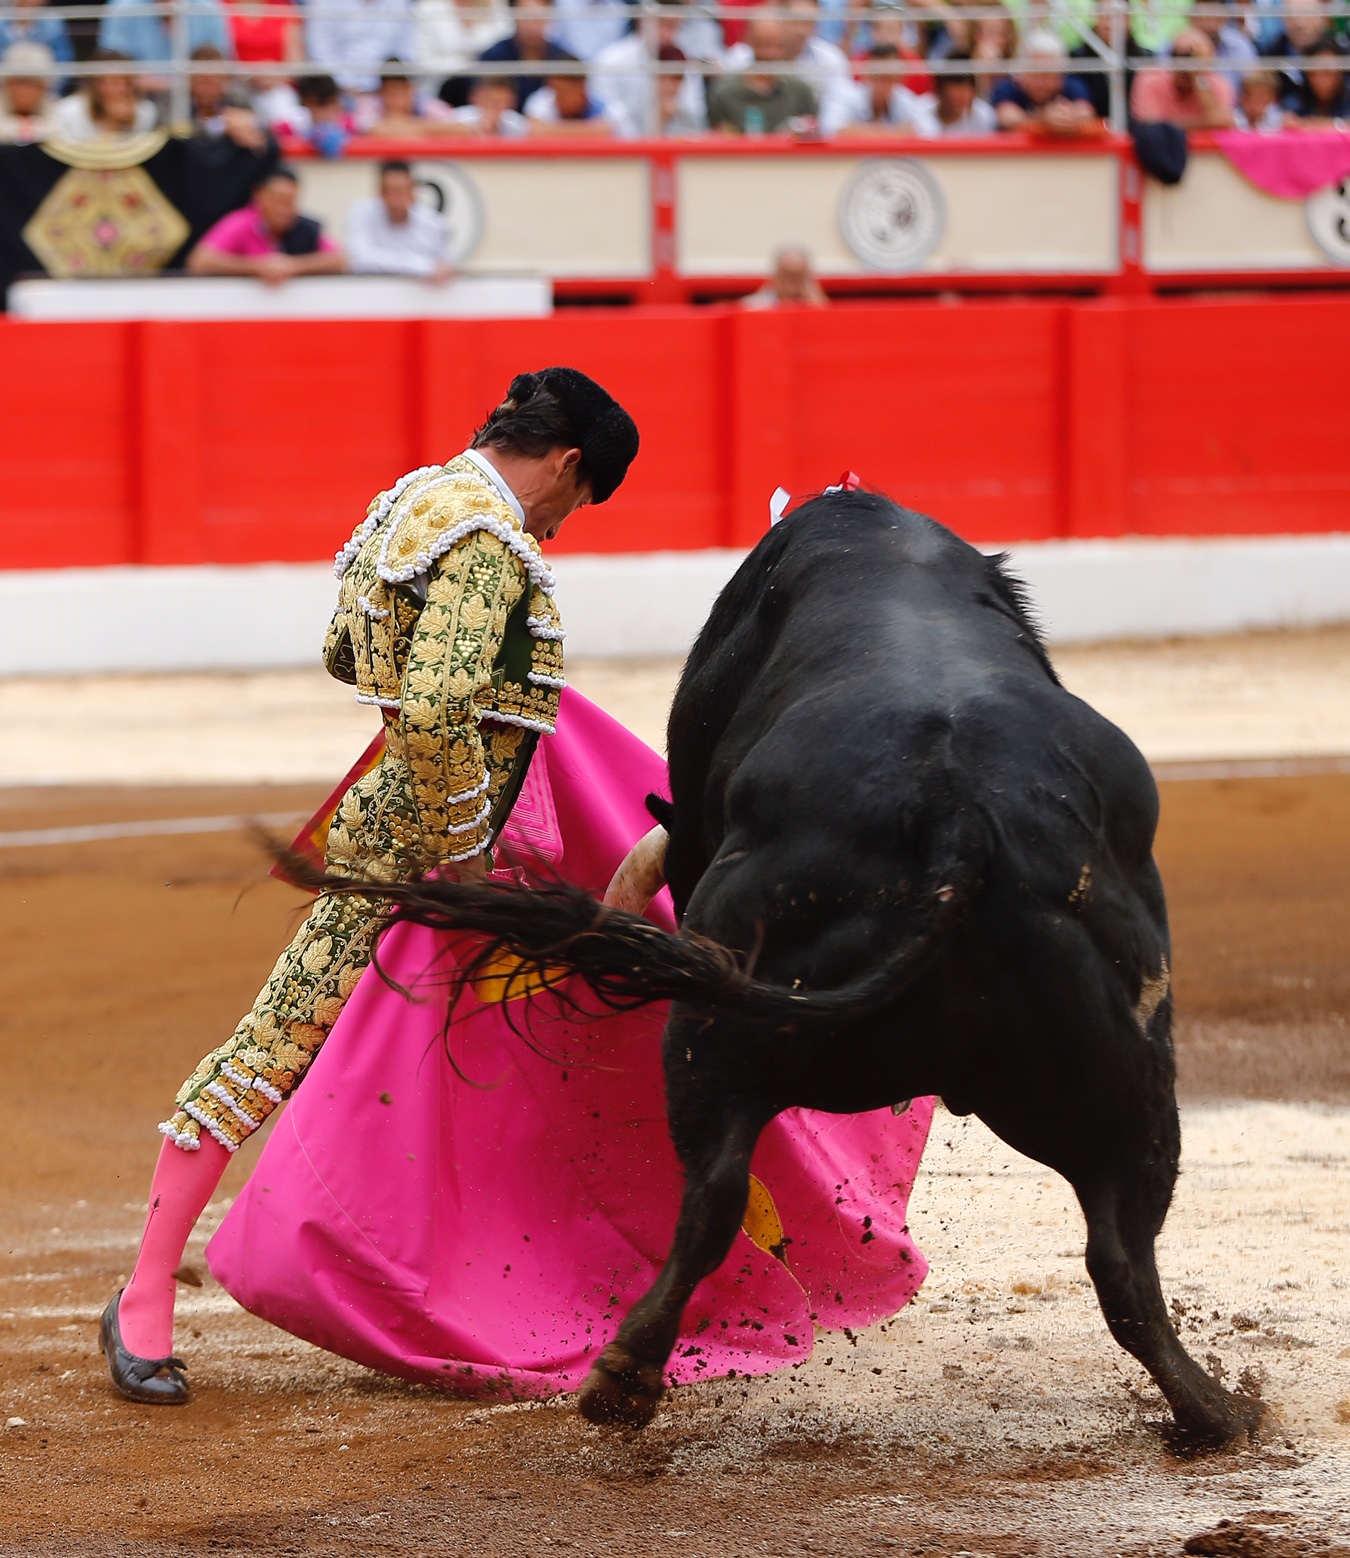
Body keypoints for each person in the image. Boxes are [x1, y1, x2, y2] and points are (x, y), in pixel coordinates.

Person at [99, 367, 641, 1404]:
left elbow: (346, 651)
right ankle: (142, 1296)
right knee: (297, 1044)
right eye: (583, 499)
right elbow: (440, 712)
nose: (569, 523)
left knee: (361, 1047)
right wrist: (466, 852)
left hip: (395, 820)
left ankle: (487, 1290)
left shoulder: (415, 499)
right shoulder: (488, 545)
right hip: (433, 851)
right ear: (569, 464)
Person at [186, 166, 346, 284]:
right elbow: (200, 261)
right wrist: (257, 267)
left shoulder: (304, 227)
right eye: (279, 199)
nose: (285, 208)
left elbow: (338, 259)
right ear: (259, 195)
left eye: (291, 201)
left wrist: (293, 265)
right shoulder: (240, 222)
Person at [722, 0, 852, 134]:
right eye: (794, 21)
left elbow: (835, 116)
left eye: (808, 23)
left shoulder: (830, 58)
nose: (800, 31)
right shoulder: (738, 57)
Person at [590, 0, 710, 135]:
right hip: (623, 148)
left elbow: (697, 117)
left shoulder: (685, 62)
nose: (666, 34)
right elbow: (604, 117)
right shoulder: (610, 60)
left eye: (673, 26)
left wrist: (672, 111)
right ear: (642, 22)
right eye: (661, 24)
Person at [707, 14, 818, 133]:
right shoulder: (725, 92)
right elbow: (718, 137)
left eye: (776, 45)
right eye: (760, 43)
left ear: (787, 44)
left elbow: (812, 131)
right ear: (747, 40)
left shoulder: (800, 91)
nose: (768, 53)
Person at [346, 159, 452, 275]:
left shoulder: (434, 223)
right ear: (380, 193)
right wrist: (423, 266)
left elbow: (442, 268)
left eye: (402, 191)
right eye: (391, 191)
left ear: (413, 192)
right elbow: (360, 261)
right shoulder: (361, 213)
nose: (396, 200)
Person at [991, 27, 1100, 135]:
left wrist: (1067, 118)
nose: (1041, 83)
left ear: (1061, 74)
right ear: (1022, 71)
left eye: (1048, 75)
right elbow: (1007, 117)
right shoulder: (1007, 87)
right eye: (1035, 74)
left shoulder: (1073, 86)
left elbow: (1086, 112)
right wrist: (1044, 119)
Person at [1130, 24, 1236, 128]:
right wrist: (1205, 123)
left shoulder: (1217, 84)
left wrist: (1198, 77)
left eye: (1193, 58)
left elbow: (1223, 122)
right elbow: (1150, 127)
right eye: (1178, 56)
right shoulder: (1150, 78)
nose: (1184, 65)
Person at [477, 0, 570, 110]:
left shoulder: (563, 60)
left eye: (538, 19)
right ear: (514, 16)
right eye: (526, 18)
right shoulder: (493, 58)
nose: (532, 26)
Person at [306, 0, 415, 93]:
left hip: (388, 92)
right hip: (336, 91)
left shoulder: (401, 3)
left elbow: (406, 52)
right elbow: (320, 51)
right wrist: (345, 84)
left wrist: (386, 86)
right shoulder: (325, 3)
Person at [51, 48, 158, 140]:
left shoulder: (145, 111)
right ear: (95, 84)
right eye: (114, 82)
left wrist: (128, 124)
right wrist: (111, 125)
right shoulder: (69, 111)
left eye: (127, 82)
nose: (122, 90)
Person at [823, 42, 930, 134]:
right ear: (866, 74)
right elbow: (832, 130)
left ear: (899, 78)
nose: (882, 85)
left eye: (889, 79)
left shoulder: (906, 99)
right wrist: (895, 132)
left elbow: (925, 130)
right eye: (878, 77)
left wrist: (859, 131)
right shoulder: (846, 96)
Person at [414, 0, 508, 101]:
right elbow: (423, 63)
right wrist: (468, 65)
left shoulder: (495, 6)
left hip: (489, 95)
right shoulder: (428, 8)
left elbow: (506, 45)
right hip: (439, 96)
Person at [524, 51, 637, 132]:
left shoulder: (610, 108)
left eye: (563, 91)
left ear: (581, 88)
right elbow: (534, 131)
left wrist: (551, 131)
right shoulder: (542, 100)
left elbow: (616, 133)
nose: (557, 97)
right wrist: (593, 131)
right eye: (554, 89)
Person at [188, 43, 269, 150]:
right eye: (203, 81)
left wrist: (244, 123)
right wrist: (220, 125)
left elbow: (255, 119)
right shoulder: (177, 98)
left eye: (214, 81)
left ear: (225, 79)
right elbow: (175, 130)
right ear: (189, 80)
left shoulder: (236, 93)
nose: (208, 89)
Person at [98, 0, 232, 63]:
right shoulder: (122, 8)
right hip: (136, 98)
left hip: (197, 100)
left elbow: (219, 66)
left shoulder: (209, 9)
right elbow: (112, 68)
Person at [355, 58, 456, 130]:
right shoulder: (368, 104)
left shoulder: (428, 104)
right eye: (390, 92)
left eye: (400, 90)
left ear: (411, 88)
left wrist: (406, 123)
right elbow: (374, 130)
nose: (396, 97)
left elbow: (457, 128)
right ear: (381, 91)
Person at [918, 57, 998, 134]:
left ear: (973, 93)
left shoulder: (985, 118)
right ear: (939, 92)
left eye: (961, 99)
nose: (955, 104)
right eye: (951, 99)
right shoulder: (920, 112)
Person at [0, 39, 58, 142]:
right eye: (19, 82)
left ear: (44, 87)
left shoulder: (56, 107)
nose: (25, 91)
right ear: (7, 84)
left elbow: (58, 134)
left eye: (32, 83)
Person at [1283, 34, 1350, 120]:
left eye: (1327, 72)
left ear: (1340, 72)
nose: (1321, 80)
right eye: (1314, 72)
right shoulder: (1294, 103)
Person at [741, 241, 828, 306]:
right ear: (775, 277)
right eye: (787, 277)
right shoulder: (753, 306)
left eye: (799, 279)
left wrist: (821, 308)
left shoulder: (816, 304)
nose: (792, 289)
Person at [0, 0, 71, 73]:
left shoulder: (53, 23)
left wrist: (53, 83)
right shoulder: (1, 22)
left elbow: (63, 58)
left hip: (44, 79)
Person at [443, 71, 531, 130]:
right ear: (474, 97)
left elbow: (535, 130)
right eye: (490, 100)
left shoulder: (513, 120)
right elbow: (430, 128)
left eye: (500, 102)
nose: (494, 106)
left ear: (512, 101)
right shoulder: (460, 115)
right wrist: (473, 129)